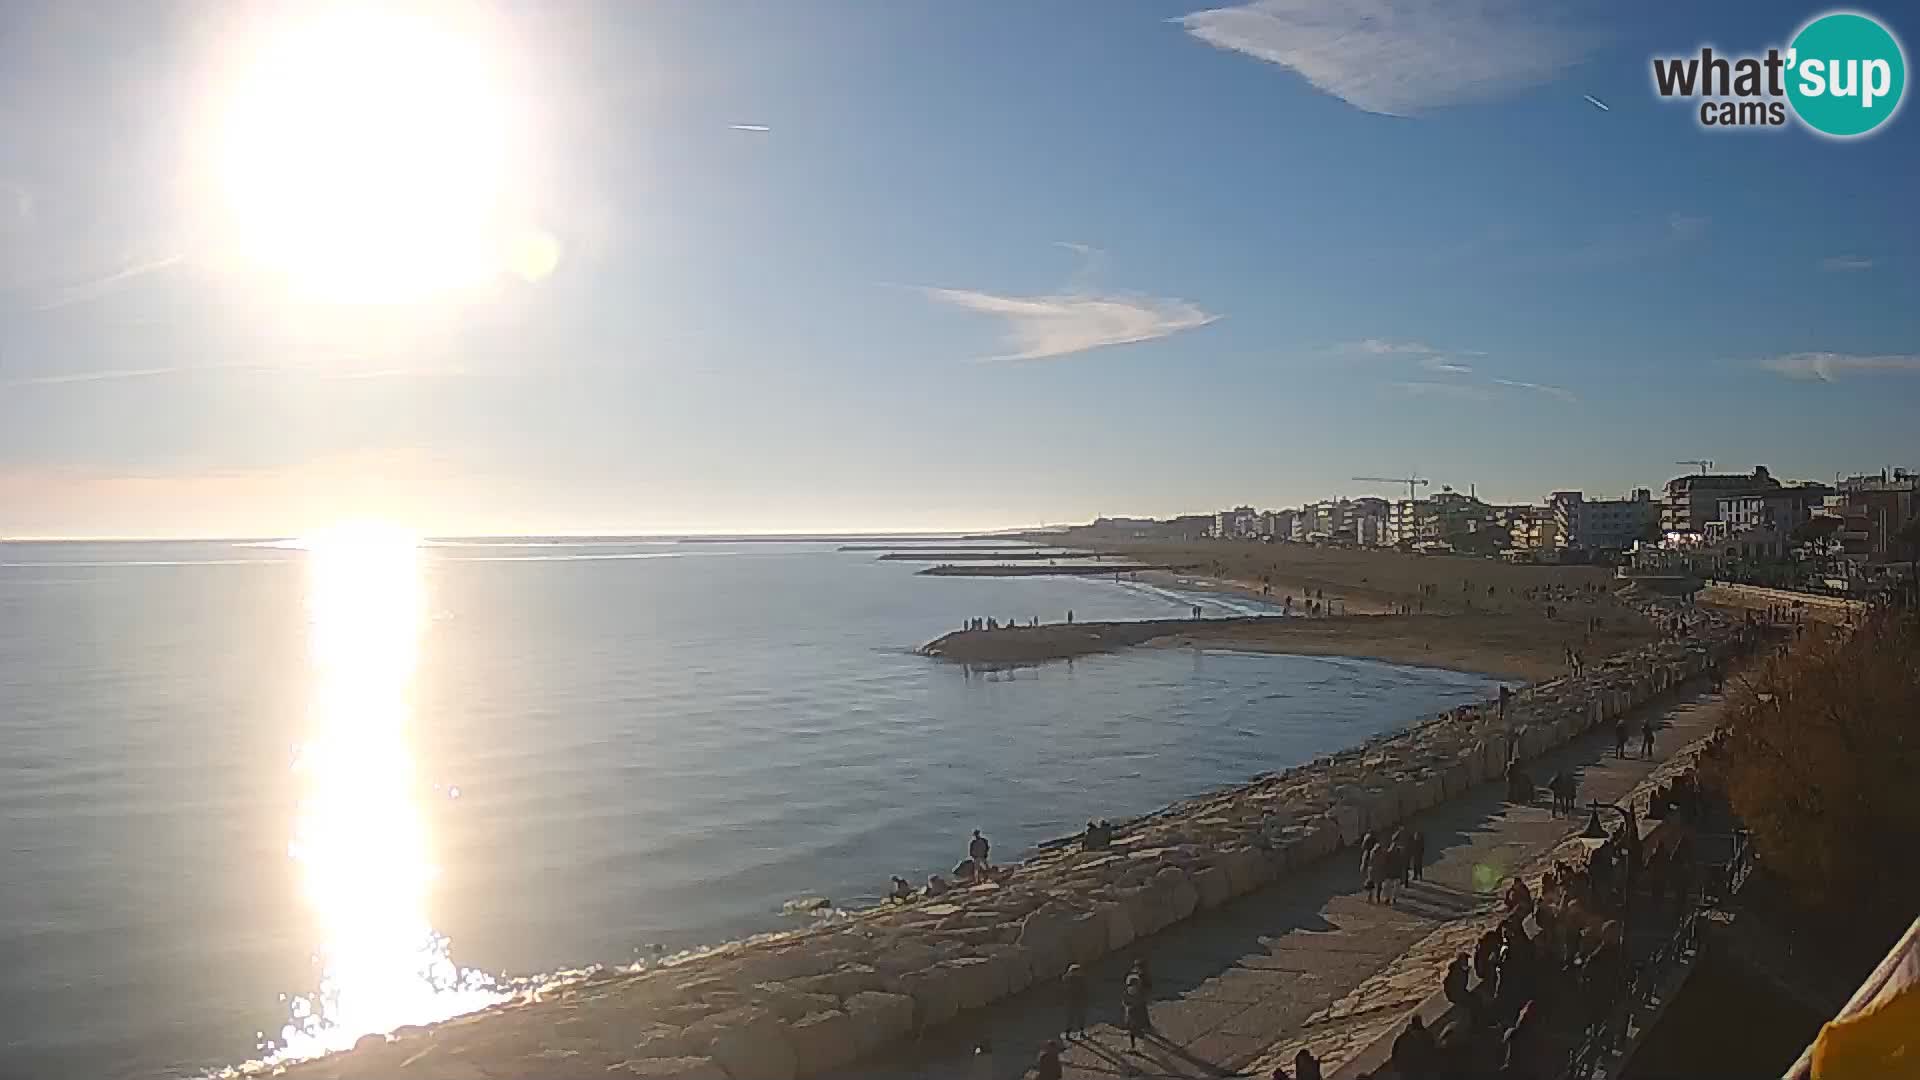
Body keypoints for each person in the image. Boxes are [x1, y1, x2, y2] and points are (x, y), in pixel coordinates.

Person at [1123, 971, 1150, 1049]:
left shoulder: (1137, 993)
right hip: (1132, 1013)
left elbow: (1141, 1004)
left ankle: (1134, 1045)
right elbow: (1125, 1002)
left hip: (1135, 1013)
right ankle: (1133, 1045)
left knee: (1134, 1029)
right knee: (1133, 1030)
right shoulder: (1130, 992)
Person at [1061, 964, 1088, 1038]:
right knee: (1076, 1017)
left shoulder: (1067, 978)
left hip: (1073, 1001)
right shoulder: (1077, 979)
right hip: (1075, 1000)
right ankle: (1075, 1032)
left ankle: (1071, 1033)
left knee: (1073, 1017)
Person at [1361, 837, 1381, 903]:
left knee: (1371, 882)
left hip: (1372, 868)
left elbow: (1366, 860)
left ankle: (1372, 897)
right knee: (1374, 883)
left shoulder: (1371, 851)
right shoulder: (1372, 850)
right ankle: (1374, 897)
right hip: (1374, 868)